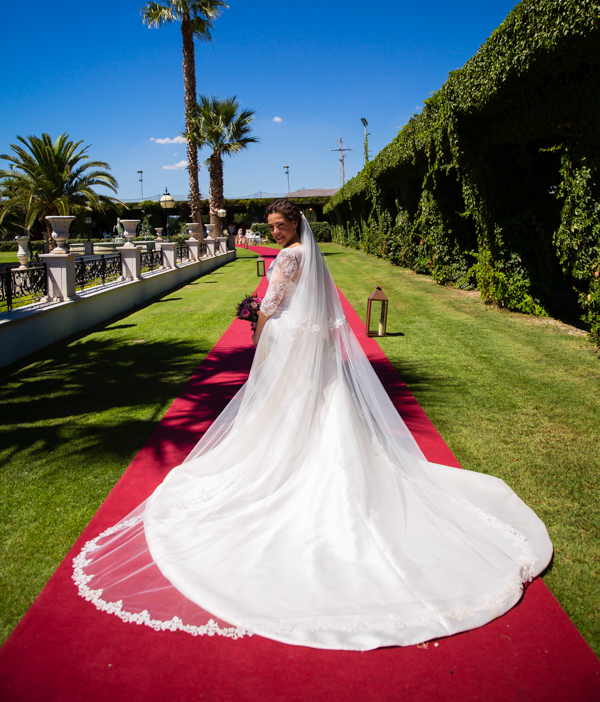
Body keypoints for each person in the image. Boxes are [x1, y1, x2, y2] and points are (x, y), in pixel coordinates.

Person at [73, 200, 552, 651]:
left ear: (293, 225)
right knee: (316, 404)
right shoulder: (310, 256)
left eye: (279, 225)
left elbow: (272, 304)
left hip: (287, 342)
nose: (274, 232)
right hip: (312, 346)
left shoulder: (287, 258)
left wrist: (256, 327)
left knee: (286, 406)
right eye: (272, 226)